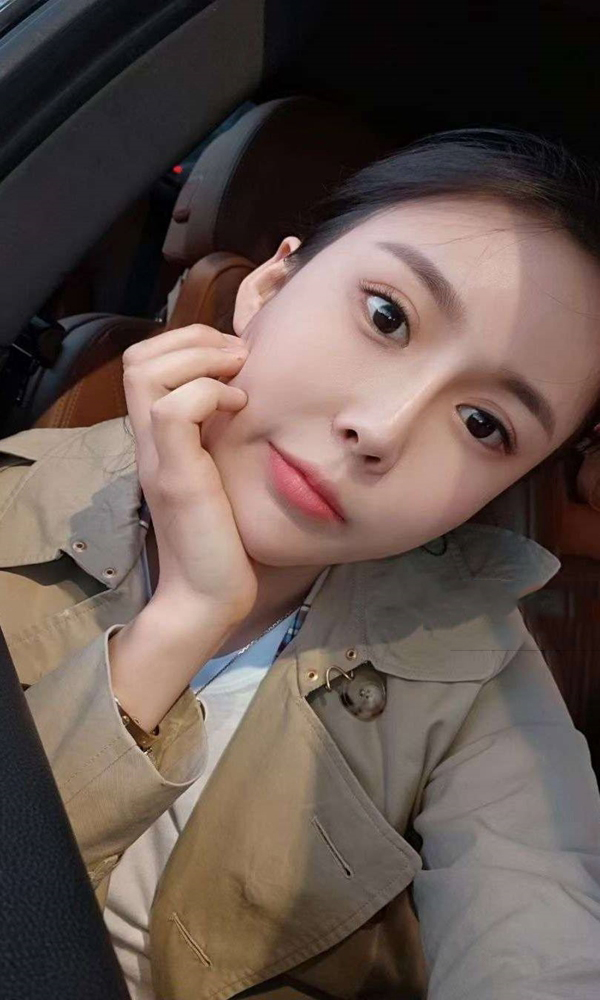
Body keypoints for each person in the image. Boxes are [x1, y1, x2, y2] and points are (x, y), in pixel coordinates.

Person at [1, 128, 600, 1000]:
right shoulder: (11, 503)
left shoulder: (474, 666)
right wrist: (184, 620)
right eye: (387, 317)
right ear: (269, 287)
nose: (382, 429)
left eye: (484, 425)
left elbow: (545, 937)